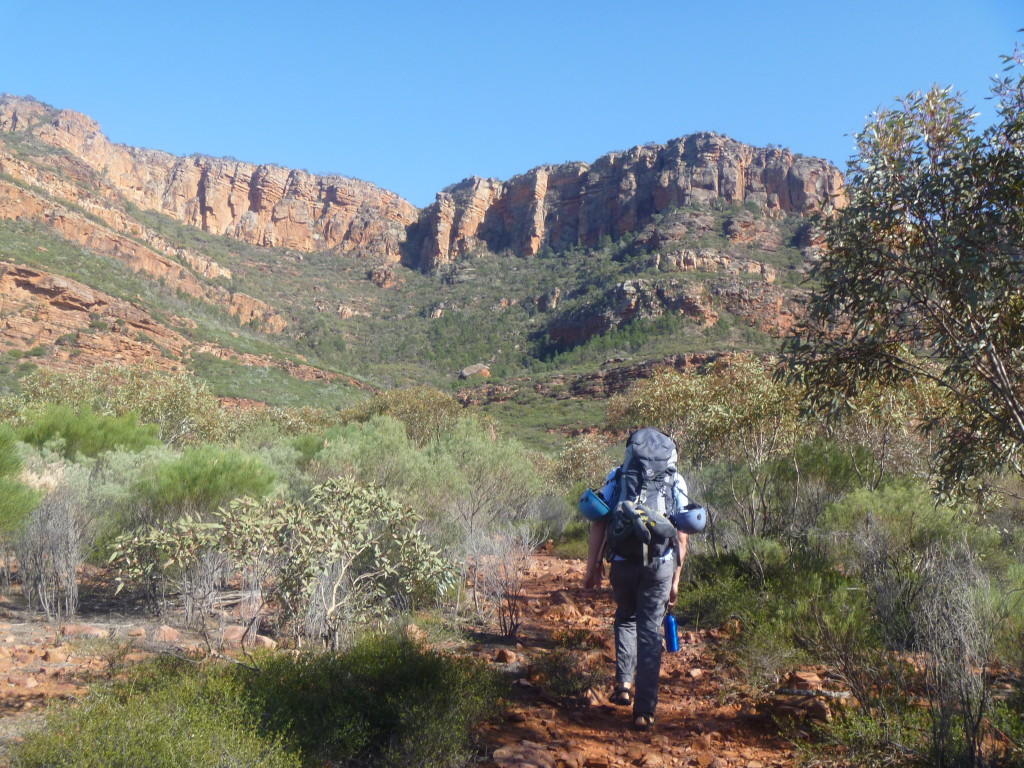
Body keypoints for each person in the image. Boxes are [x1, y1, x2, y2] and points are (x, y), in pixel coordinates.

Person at [583, 448, 689, 731]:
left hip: (622, 563)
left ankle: (624, 684)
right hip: (660, 565)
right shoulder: (675, 480)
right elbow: (681, 535)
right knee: (651, 631)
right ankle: (644, 711)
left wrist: (591, 568)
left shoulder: (617, 476)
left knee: (626, 617)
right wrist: (676, 580)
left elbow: (599, 522)